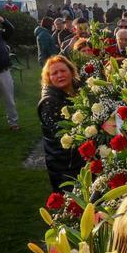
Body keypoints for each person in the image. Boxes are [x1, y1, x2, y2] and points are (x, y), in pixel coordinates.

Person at [38, 56, 83, 192]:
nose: (60, 75)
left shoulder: (77, 90)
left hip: (78, 159)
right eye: (54, 73)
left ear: (71, 71)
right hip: (64, 165)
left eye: (63, 71)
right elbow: (63, 137)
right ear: (49, 78)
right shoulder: (48, 102)